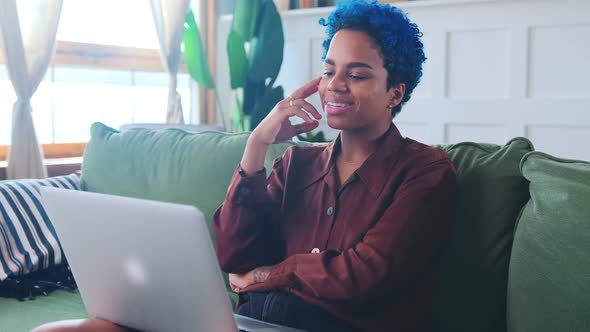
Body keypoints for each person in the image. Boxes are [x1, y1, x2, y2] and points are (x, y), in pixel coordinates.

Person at [33, 1, 456, 331]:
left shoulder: (425, 172)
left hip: (331, 326)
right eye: (329, 71)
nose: (335, 85)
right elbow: (234, 254)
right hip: (254, 321)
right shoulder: (297, 163)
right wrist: (257, 145)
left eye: (357, 74)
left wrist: (269, 275)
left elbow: (361, 276)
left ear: (395, 92)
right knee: (76, 329)